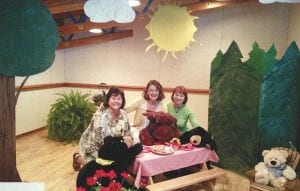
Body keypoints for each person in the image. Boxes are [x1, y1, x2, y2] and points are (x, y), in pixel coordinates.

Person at [73, 86, 133, 171]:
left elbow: (128, 133)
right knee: (98, 170)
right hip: (95, 147)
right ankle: (78, 157)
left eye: (119, 98)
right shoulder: (100, 116)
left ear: (123, 101)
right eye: (113, 98)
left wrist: (127, 142)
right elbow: (99, 142)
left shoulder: (124, 114)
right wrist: (121, 145)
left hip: (114, 147)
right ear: (108, 100)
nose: (116, 101)